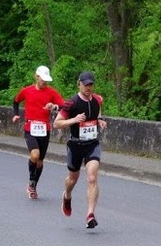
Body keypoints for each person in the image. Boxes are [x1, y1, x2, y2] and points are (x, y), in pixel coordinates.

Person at [54, 71, 107, 228]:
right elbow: (57, 123)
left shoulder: (97, 100)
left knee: (92, 178)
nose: (88, 87)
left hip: (92, 145)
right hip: (75, 145)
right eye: (85, 84)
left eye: (90, 84)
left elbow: (97, 110)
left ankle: (90, 215)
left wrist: (100, 120)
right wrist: (74, 120)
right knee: (72, 179)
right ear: (79, 84)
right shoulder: (71, 103)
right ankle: (67, 196)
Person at [12, 65, 65, 199]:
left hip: (44, 130)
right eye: (43, 80)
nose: (45, 82)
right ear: (37, 77)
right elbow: (16, 101)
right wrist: (16, 114)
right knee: (35, 155)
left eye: (47, 80)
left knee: (40, 161)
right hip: (30, 128)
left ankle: (33, 186)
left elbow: (64, 105)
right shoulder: (26, 91)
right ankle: (31, 181)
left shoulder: (51, 92)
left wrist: (54, 106)